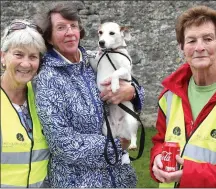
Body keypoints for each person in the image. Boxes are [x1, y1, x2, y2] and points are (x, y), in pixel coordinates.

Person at [33, 2, 145, 188]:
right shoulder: (47, 79)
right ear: (50, 38)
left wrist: (132, 91)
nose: (70, 32)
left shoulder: (96, 58)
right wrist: (118, 145)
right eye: (61, 28)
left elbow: (134, 84)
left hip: (120, 179)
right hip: (78, 182)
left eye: (74, 26)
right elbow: (64, 145)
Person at [150, 5, 216, 188]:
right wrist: (157, 159)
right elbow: (159, 141)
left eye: (207, 39)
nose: (199, 48)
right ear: (182, 47)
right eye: (191, 41)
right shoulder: (169, 96)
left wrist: (188, 174)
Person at [1, 19, 49, 187]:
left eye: (33, 56)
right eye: (18, 54)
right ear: (2, 56)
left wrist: (133, 92)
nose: (26, 63)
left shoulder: (43, 95)